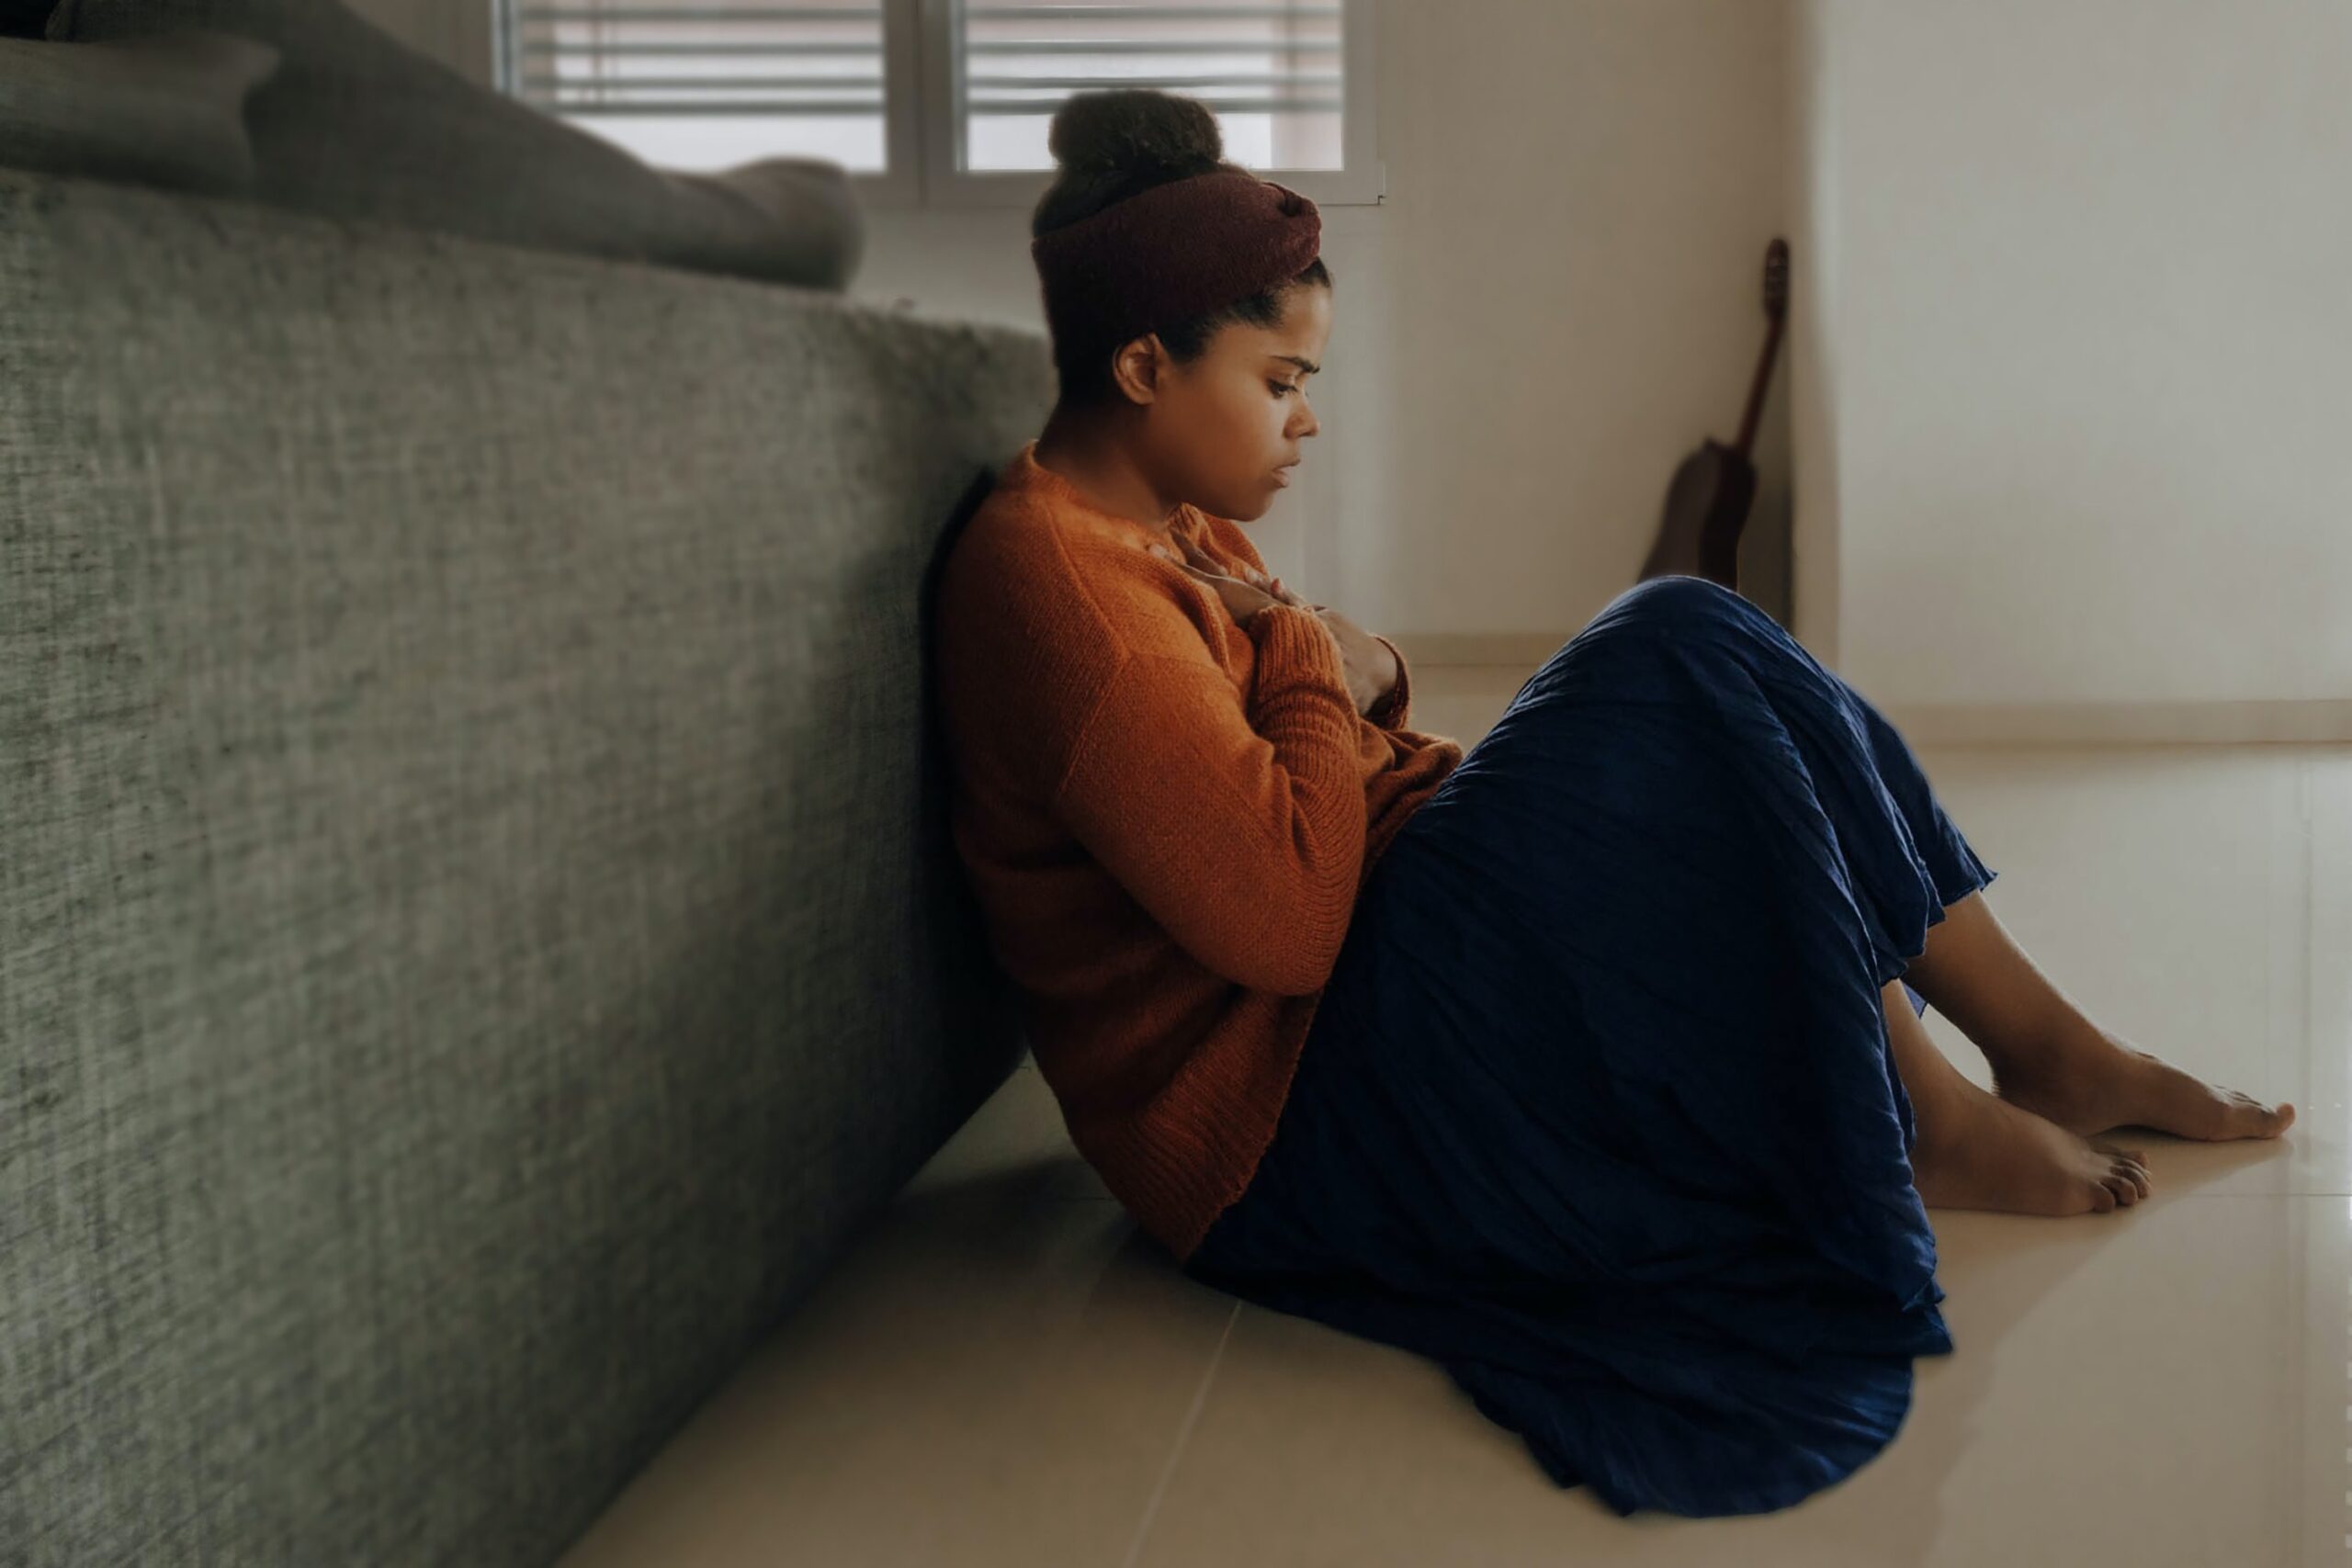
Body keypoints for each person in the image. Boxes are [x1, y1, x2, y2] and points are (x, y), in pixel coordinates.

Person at [929, 86, 2296, 1519]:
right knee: (1673, 646)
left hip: (1363, 977)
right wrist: (1316, 661)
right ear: (1144, 364)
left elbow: (1317, 723)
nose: (1306, 418)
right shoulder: (1064, 595)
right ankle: (1929, 1111)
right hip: (1282, 1123)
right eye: (1280, 382)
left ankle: (2045, 1050)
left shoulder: (1165, 522)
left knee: (1696, 648)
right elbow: (1283, 921)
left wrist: (1356, 671)